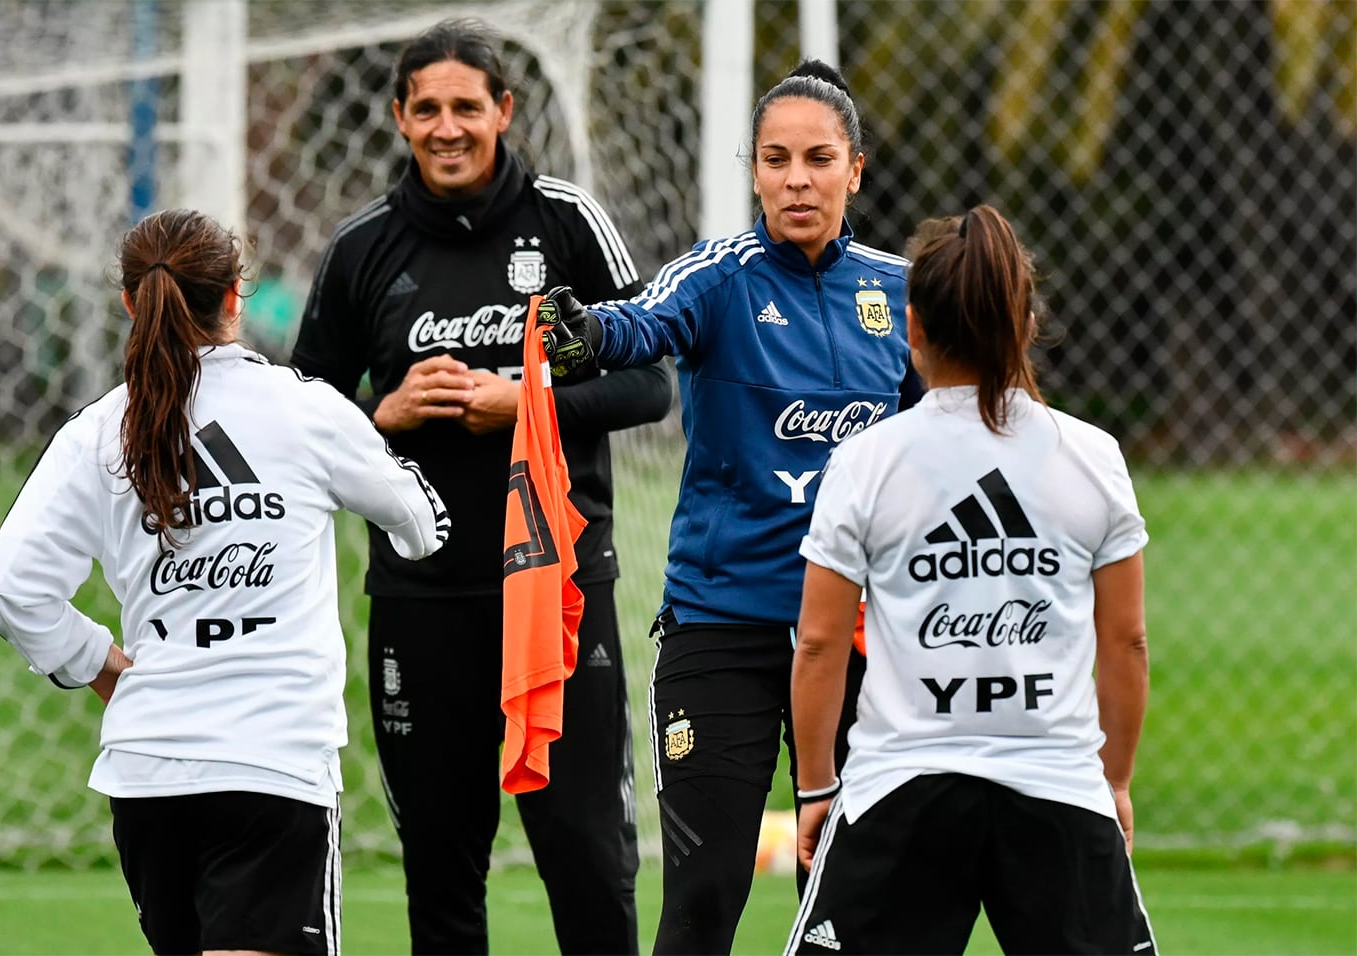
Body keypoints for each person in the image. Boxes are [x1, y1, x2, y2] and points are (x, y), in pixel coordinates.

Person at [288, 18, 671, 955]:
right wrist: (384, 413)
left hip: (557, 595)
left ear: (503, 111)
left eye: (468, 107)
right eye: (428, 110)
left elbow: (650, 381)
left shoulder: (566, 223)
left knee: (587, 858)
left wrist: (523, 403)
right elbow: (299, 413)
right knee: (443, 870)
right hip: (423, 601)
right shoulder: (362, 250)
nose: (448, 128)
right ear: (399, 118)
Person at [0, 208, 450, 956]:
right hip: (272, 765)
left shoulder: (99, 430)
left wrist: (97, 662)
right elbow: (423, 527)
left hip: (148, 775)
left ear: (133, 303)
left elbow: (11, 588)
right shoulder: (305, 410)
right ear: (235, 296)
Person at [539, 59, 923, 954]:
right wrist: (587, 333)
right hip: (725, 629)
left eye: (819, 158)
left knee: (856, 905)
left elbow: (957, 412)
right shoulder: (718, 277)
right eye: (777, 158)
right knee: (705, 899)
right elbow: (645, 322)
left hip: (869, 640)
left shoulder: (902, 290)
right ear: (752, 168)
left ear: (855, 169)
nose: (798, 179)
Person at [784, 205, 1157, 954]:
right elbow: (1127, 642)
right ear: (1023, 323)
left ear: (912, 328)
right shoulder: (1093, 457)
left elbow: (820, 645)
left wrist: (818, 786)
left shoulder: (867, 461)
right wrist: (1111, 780)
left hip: (900, 787)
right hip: (1058, 786)